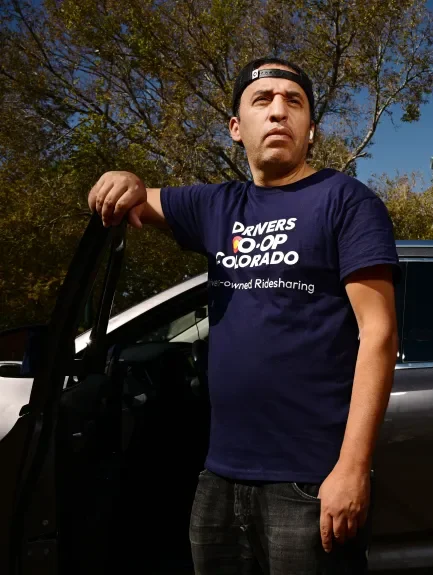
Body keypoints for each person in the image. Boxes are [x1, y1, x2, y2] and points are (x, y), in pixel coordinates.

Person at [87, 57, 400, 574]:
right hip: (219, 477)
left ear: (311, 130)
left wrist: (352, 469)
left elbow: (379, 334)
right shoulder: (217, 206)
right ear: (236, 128)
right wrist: (125, 177)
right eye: (263, 101)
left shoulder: (347, 202)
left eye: (293, 102)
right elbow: (139, 199)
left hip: (309, 481)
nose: (278, 112)